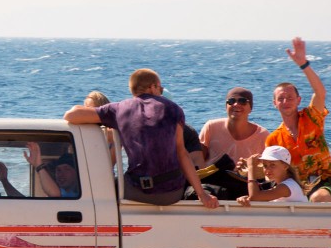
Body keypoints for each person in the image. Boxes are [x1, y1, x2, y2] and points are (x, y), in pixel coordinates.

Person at [64, 68, 219, 208]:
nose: (160, 92)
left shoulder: (118, 109)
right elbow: (182, 153)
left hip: (135, 191)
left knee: (101, 188)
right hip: (171, 194)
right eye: (160, 88)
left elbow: (71, 116)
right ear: (152, 87)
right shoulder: (174, 109)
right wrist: (202, 194)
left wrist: (80, 107)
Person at [265, 37, 331, 202]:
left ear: (298, 100)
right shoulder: (273, 139)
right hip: (293, 188)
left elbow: (320, 92)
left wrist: (304, 65)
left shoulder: (312, 117)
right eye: (281, 98)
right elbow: (270, 172)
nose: (286, 102)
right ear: (275, 103)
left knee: (318, 198)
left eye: (290, 97)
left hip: (322, 183)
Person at [0, 144, 80, 198]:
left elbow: (55, 195)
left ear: (76, 173)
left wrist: (38, 165)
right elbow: (25, 205)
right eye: (58, 170)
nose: (61, 174)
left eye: (67, 169)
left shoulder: (78, 194)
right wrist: (4, 181)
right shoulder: (61, 191)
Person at [236, 146, 306, 206]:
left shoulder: (287, 186)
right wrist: (246, 199)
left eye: (272, 165)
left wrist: (251, 167)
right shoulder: (286, 185)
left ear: (285, 166)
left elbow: (254, 196)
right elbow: (255, 198)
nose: (267, 169)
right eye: (265, 165)